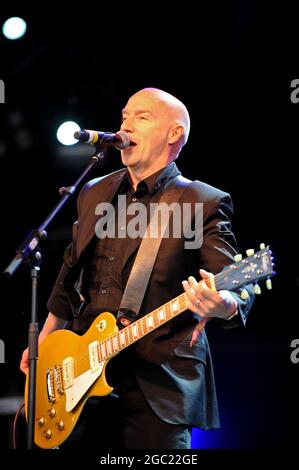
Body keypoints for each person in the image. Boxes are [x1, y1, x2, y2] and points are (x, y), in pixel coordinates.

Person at [20, 87, 254, 449]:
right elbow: (70, 273)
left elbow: (234, 284)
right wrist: (47, 342)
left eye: (141, 117)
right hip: (83, 378)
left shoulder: (201, 201)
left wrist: (223, 302)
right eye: (125, 115)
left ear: (174, 133)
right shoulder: (94, 191)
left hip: (159, 383)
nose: (126, 124)